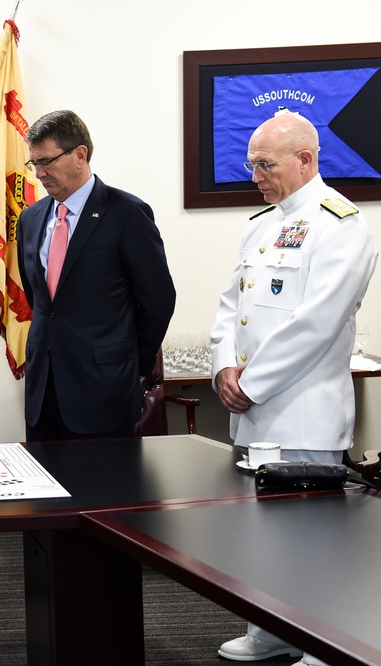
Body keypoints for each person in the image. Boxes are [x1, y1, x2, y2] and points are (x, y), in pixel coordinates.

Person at [210, 111, 377, 666]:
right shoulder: (260, 225)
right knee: (260, 534)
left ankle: (325, 645)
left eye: (265, 163)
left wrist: (249, 382)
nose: (254, 173)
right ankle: (270, 629)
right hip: (254, 411)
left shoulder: (343, 226)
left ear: (305, 159)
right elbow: (231, 307)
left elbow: (317, 321)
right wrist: (222, 369)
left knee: (313, 537)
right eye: (251, 163)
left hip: (303, 412)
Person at [16, 110, 175, 441]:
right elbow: (40, 300)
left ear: (79, 155)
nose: (39, 174)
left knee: (109, 491)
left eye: (46, 162)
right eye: (34, 164)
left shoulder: (127, 214)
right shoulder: (30, 219)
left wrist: (133, 364)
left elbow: (158, 300)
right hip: (43, 393)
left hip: (104, 391)